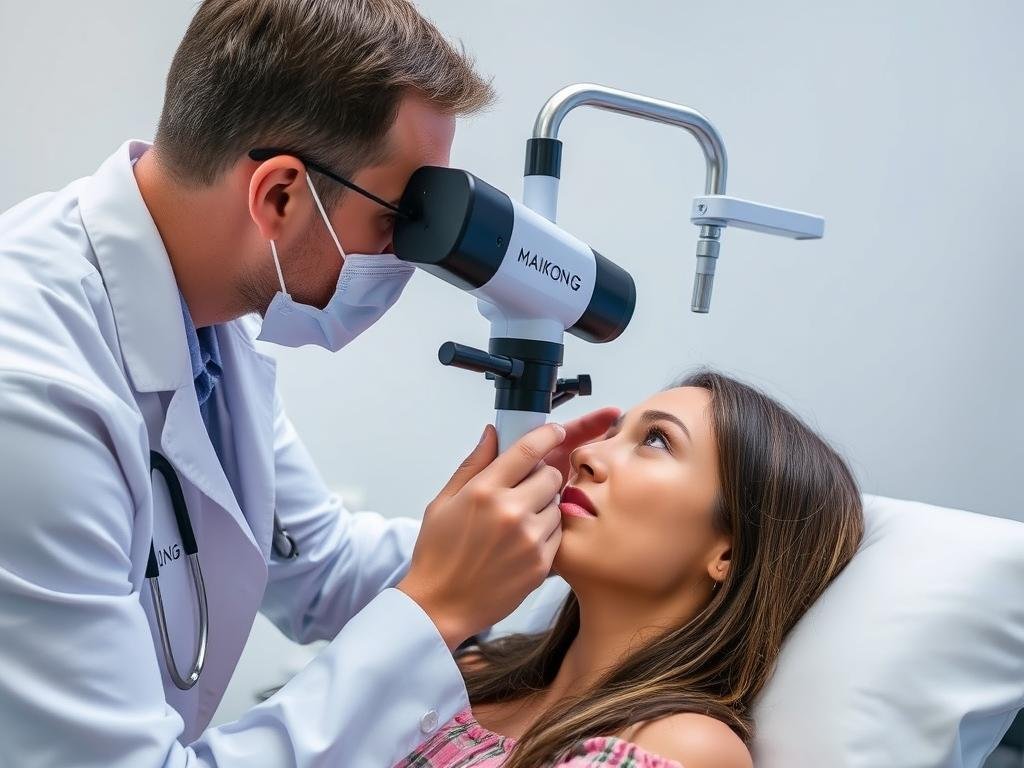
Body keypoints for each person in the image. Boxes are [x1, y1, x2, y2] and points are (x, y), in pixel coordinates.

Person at [0, 1, 618, 766]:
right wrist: (437, 605)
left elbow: (318, 563)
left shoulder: (204, 317)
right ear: (280, 196)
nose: (408, 255)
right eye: (398, 217)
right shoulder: (30, 395)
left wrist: (530, 530)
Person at [396, 370, 865, 768]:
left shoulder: (684, 745)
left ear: (730, 553)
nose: (584, 455)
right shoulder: (476, 671)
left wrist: (436, 601)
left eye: (657, 440)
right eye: (612, 434)